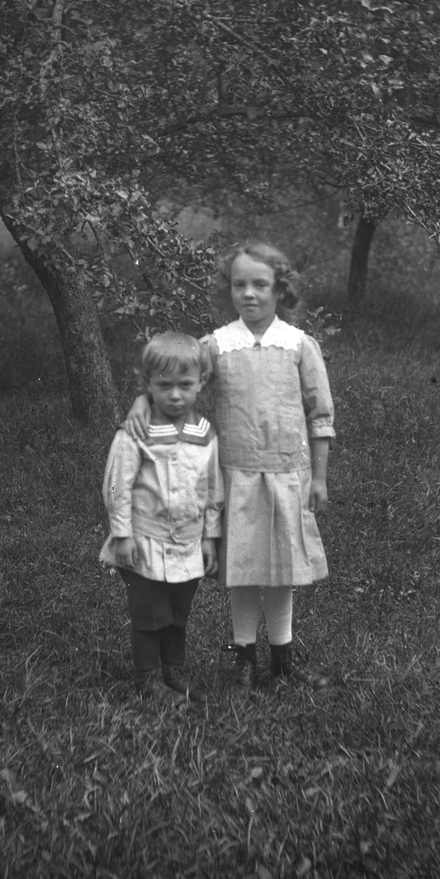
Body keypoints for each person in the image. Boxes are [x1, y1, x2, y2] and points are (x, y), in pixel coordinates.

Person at [125, 242, 335, 695]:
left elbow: (320, 416)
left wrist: (318, 478)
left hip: (288, 475)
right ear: (230, 290)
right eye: (240, 285)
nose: (249, 294)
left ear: (280, 289)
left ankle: (282, 658)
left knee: (280, 570)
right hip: (235, 476)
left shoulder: (298, 345)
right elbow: (177, 376)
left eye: (260, 285)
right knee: (242, 567)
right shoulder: (218, 345)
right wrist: (144, 405)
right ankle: (244, 658)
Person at [100, 331, 224, 702]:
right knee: (149, 613)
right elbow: (117, 485)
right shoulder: (137, 432)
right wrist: (122, 534)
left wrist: (210, 537)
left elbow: (213, 490)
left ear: (201, 383)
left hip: (187, 541)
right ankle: (147, 677)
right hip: (145, 540)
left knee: (177, 613)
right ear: (147, 384)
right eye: (164, 385)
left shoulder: (205, 435)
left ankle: (173, 670)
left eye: (185, 385)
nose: (175, 395)